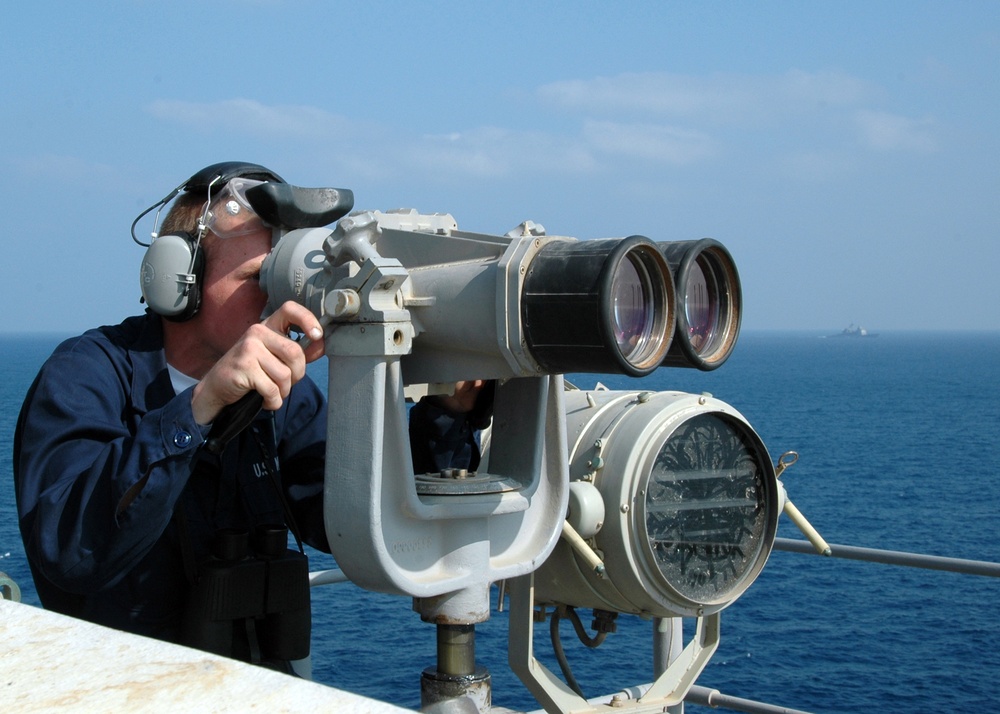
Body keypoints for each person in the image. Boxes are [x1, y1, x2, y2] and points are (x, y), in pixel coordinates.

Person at [13, 162, 482, 668]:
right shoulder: (86, 375)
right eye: (258, 277)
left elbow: (348, 513)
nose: (278, 297)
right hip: (120, 686)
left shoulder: (282, 396)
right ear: (179, 278)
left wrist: (447, 414)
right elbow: (68, 547)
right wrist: (199, 408)